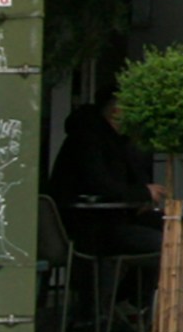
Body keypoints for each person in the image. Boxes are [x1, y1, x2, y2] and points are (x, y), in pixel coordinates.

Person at [48, 97, 164, 259]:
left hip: (112, 219)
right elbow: (101, 186)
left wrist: (142, 196)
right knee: (165, 242)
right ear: (117, 112)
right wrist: (143, 193)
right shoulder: (89, 140)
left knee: (171, 227)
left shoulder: (116, 141)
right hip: (91, 227)